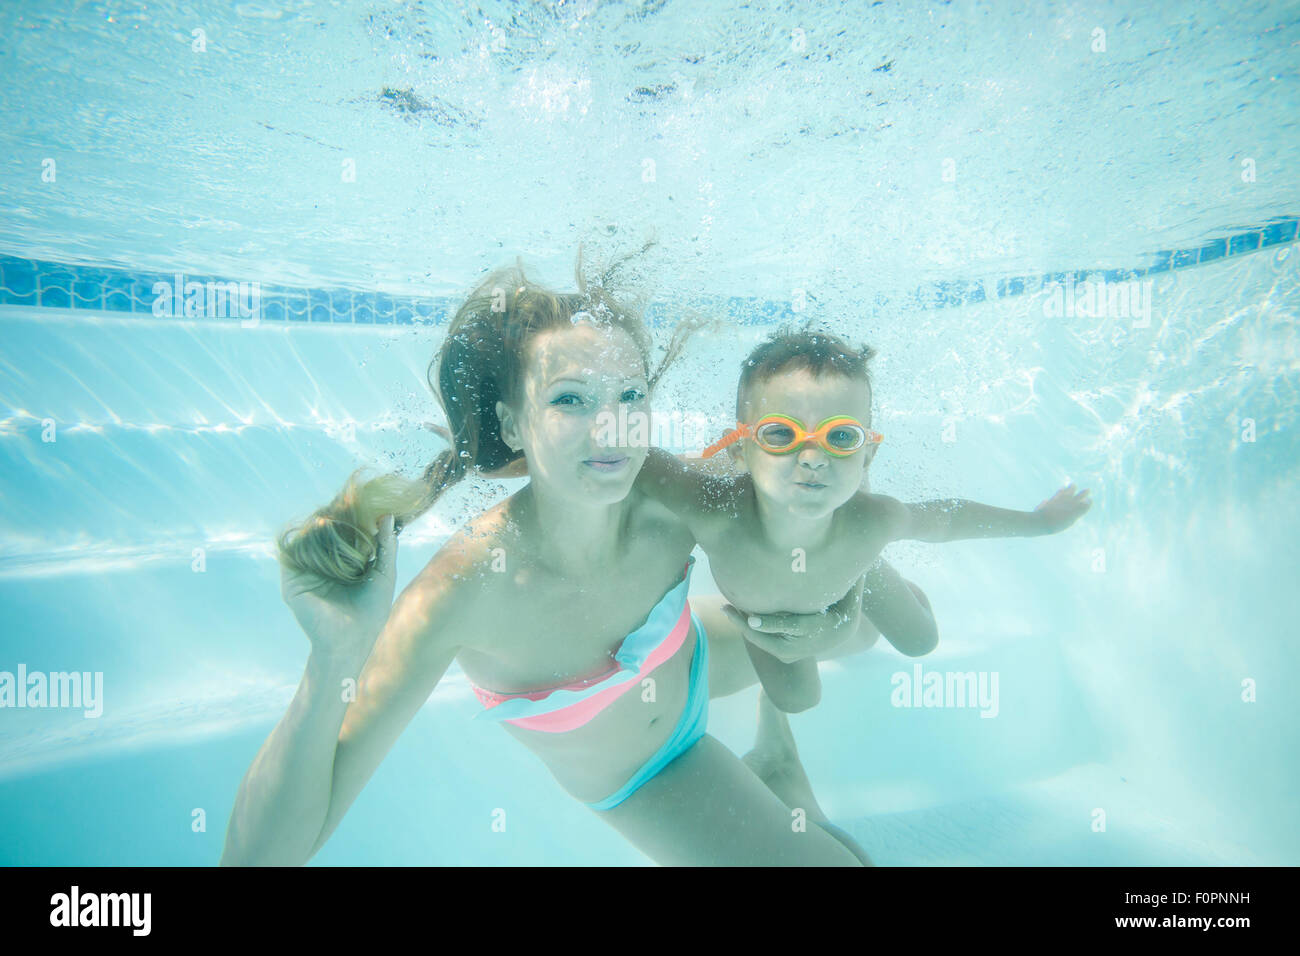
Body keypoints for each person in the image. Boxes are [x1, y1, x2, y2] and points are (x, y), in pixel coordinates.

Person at [220, 261, 870, 867]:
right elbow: (261, 859)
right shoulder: (463, 590)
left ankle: (779, 762)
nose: (612, 428)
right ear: (510, 421)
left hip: (693, 652)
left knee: (861, 631)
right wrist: (331, 657)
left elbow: (824, 538)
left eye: (629, 395)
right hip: (652, 774)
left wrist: (833, 621)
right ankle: (782, 778)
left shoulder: (673, 497)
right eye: (570, 400)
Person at [637, 329, 1092, 714]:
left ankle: (865, 570)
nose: (813, 458)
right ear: (739, 448)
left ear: (868, 453)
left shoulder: (872, 522)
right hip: (768, 618)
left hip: (851, 558)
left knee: (920, 642)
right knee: (796, 702)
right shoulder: (711, 509)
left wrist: (1040, 523)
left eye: (841, 437)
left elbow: (946, 521)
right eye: (781, 434)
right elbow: (639, 463)